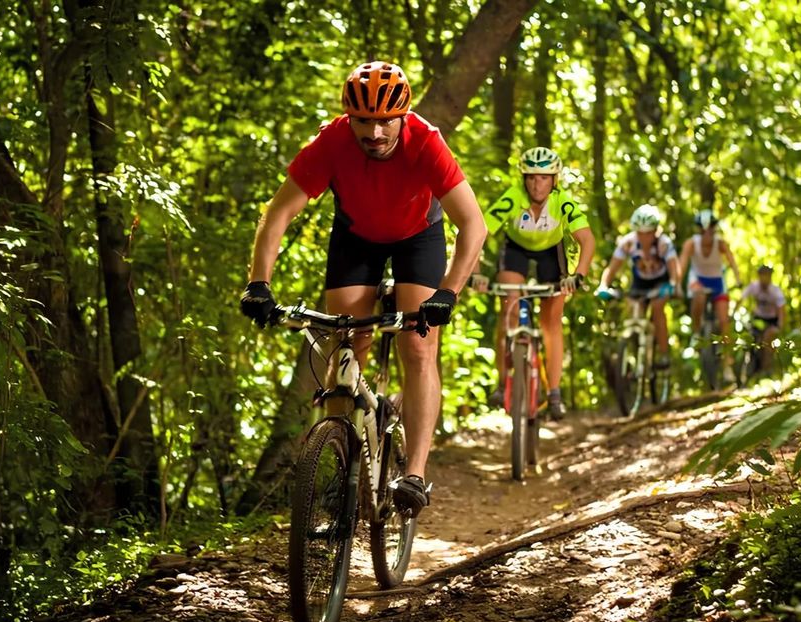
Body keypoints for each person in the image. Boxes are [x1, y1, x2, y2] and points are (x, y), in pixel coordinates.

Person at [239, 61, 487, 517]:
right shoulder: (332, 142)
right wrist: (259, 282)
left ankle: (414, 475)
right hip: (356, 238)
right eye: (363, 121)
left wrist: (448, 291)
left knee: (418, 346)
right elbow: (277, 214)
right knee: (346, 343)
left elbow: (473, 225)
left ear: (403, 116)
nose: (374, 133)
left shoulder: (426, 141)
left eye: (385, 121)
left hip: (418, 237)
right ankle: (345, 463)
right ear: (348, 117)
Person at [475, 147, 595, 420]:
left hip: (551, 253)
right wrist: (476, 272)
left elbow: (587, 240)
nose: (536, 184)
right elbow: (479, 232)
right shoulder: (514, 197)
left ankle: (554, 393)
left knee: (551, 322)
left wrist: (578, 275)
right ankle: (502, 383)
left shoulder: (562, 201)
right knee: (508, 308)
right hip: (515, 249)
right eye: (530, 177)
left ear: (554, 180)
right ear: (524, 179)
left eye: (543, 178)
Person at [595, 204, 681, 367]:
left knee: (657, 309)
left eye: (648, 233)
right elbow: (612, 268)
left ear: (655, 231)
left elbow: (674, 268)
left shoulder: (664, 243)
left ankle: (663, 354)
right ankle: (634, 352)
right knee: (632, 309)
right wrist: (603, 285)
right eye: (640, 233)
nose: (644, 237)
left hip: (661, 282)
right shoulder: (628, 243)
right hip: (640, 282)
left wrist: (673, 284)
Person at [678, 210, 741, 369]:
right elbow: (682, 264)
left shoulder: (720, 244)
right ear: (698, 230)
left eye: (710, 229)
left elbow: (732, 262)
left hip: (717, 281)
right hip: (698, 280)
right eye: (703, 230)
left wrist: (738, 279)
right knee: (698, 295)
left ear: (714, 229)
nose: (707, 233)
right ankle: (696, 332)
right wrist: (677, 283)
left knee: (724, 321)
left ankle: (727, 363)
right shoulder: (691, 243)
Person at [739, 264, 787, 373]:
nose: (764, 278)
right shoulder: (754, 286)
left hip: (772, 320)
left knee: (767, 340)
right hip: (758, 318)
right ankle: (748, 367)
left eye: (767, 275)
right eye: (762, 275)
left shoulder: (776, 291)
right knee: (750, 338)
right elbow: (742, 298)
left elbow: (782, 310)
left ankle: (766, 370)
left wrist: (780, 327)